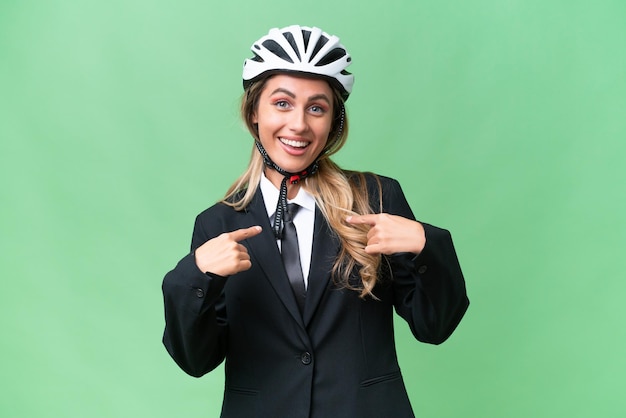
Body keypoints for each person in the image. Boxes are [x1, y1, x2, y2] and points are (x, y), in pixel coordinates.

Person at [161, 25, 469, 418]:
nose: (299, 125)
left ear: (333, 122)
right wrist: (196, 275)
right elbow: (196, 360)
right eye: (283, 103)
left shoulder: (376, 198)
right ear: (254, 112)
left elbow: (435, 327)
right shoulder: (217, 223)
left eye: (317, 108)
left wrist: (429, 244)